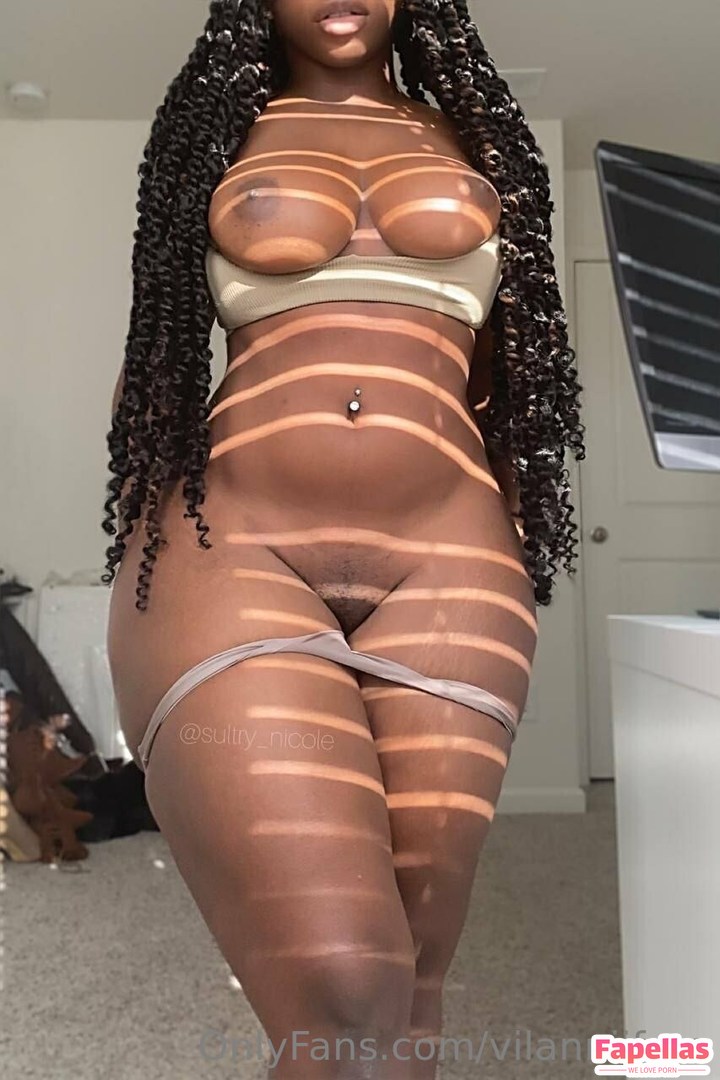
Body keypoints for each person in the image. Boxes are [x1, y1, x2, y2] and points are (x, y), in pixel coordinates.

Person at [104, 1, 586, 1076]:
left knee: (411, 988)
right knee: (344, 982)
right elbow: (159, 357)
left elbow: (511, 373)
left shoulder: (473, 135)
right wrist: (131, 556)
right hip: (238, 546)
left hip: (452, 558)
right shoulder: (217, 130)